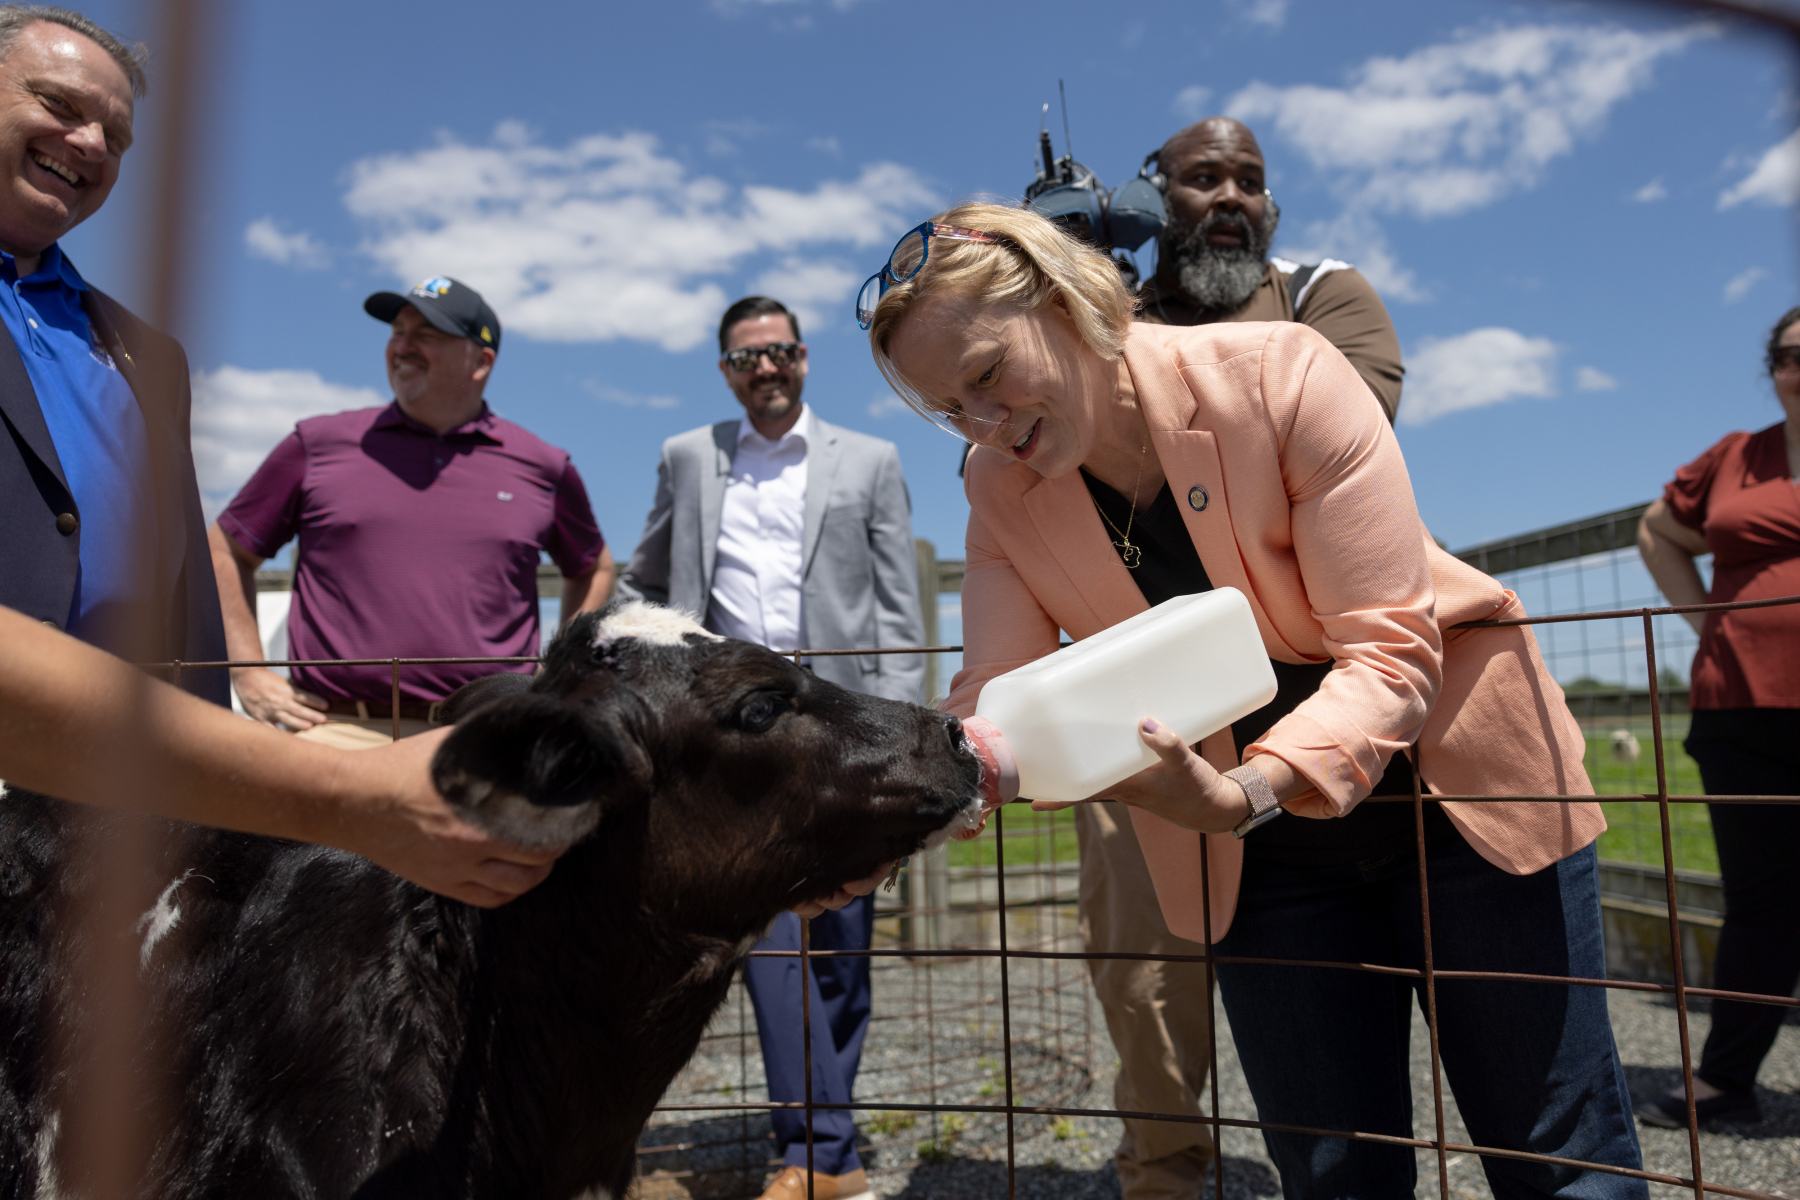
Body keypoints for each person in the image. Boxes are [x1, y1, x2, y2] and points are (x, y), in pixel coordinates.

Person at [863, 203, 1646, 1198]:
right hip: (1259, 860)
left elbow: (1390, 652)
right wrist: (892, 813)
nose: (983, 425)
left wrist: (1244, 794)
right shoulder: (997, 488)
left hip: (1457, 808)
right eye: (949, 410)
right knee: (1331, 1175)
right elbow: (994, 699)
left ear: (1064, 299)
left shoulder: (1282, 373)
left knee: (1560, 1159)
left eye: (986, 374)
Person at [617, 295, 925, 1200]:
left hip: (843, 729)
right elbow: (641, 578)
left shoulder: (870, 460)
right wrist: (649, 664)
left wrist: (899, 734)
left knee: (844, 951)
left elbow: (899, 609)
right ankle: (819, 1151)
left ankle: (824, 1144)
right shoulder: (688, 457)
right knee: (771, 941)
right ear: (726, 371)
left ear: (803, 358)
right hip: (734, 742)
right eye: (746, 357)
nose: (766, 368)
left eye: (780, 351)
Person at [208, 278, 613, 748]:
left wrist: (561, 672)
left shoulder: (543, 466)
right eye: (397, 332)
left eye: (427, 335)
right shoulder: (317, 444)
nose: (402, 346)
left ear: (481, 361)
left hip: (490, 738)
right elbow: (224, 550)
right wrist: (247, 671)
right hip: (339, 733)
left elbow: (593, 567)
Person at [0, 6, 226, 701]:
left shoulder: (153, 356)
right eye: (60, 104)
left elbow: (189, 601)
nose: (93, 144)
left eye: (117, 138)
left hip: (116, 748)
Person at [1634, 308, 1800, 1129]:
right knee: (1761, 900)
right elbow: (1657, 531)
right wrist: (1711, 625)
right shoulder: (1736, 456)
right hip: (1741, 706)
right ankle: (1727, 1082)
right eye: (1793, 355)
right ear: (1773, 369)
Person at [1135, 117, 1404, 423]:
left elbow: (1348, 425)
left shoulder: (1319, 289)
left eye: (1249, 183)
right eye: (1205, 178)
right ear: (1154, 199)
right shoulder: (1115, 314)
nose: (1231, 198)